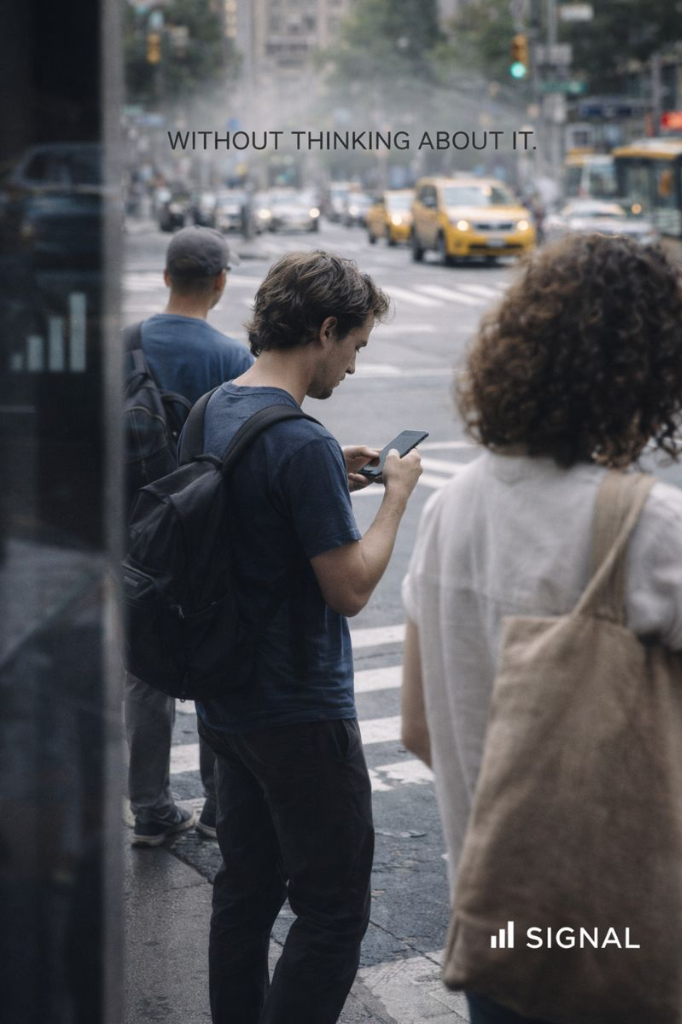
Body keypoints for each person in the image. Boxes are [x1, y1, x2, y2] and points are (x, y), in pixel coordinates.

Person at [400, 233, 682, 1024]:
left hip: (497, 916)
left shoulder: (449, 509)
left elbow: (420, 726)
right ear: (643, 373)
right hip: (623, 927)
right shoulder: (648, 526)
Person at [194, 250, 422, 1024]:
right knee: (331, 912)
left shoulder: (216, 406)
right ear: (325, 330)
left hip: (225, 701)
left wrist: (336, 472)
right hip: (299, 711)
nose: (353, 367)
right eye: (355, 346)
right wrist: (394, 497)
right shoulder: (302, 444)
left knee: (245, 889)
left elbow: (252, 528)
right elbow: (351, 587)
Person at [125, 225, 254, 847]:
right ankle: (218, 809)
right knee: (212, 659)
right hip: (205, 535)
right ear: (221, 283)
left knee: (144, 669)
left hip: (133, 532)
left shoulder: (126, 344)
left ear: (167, 276)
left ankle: (149, 808)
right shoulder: (233, 359)